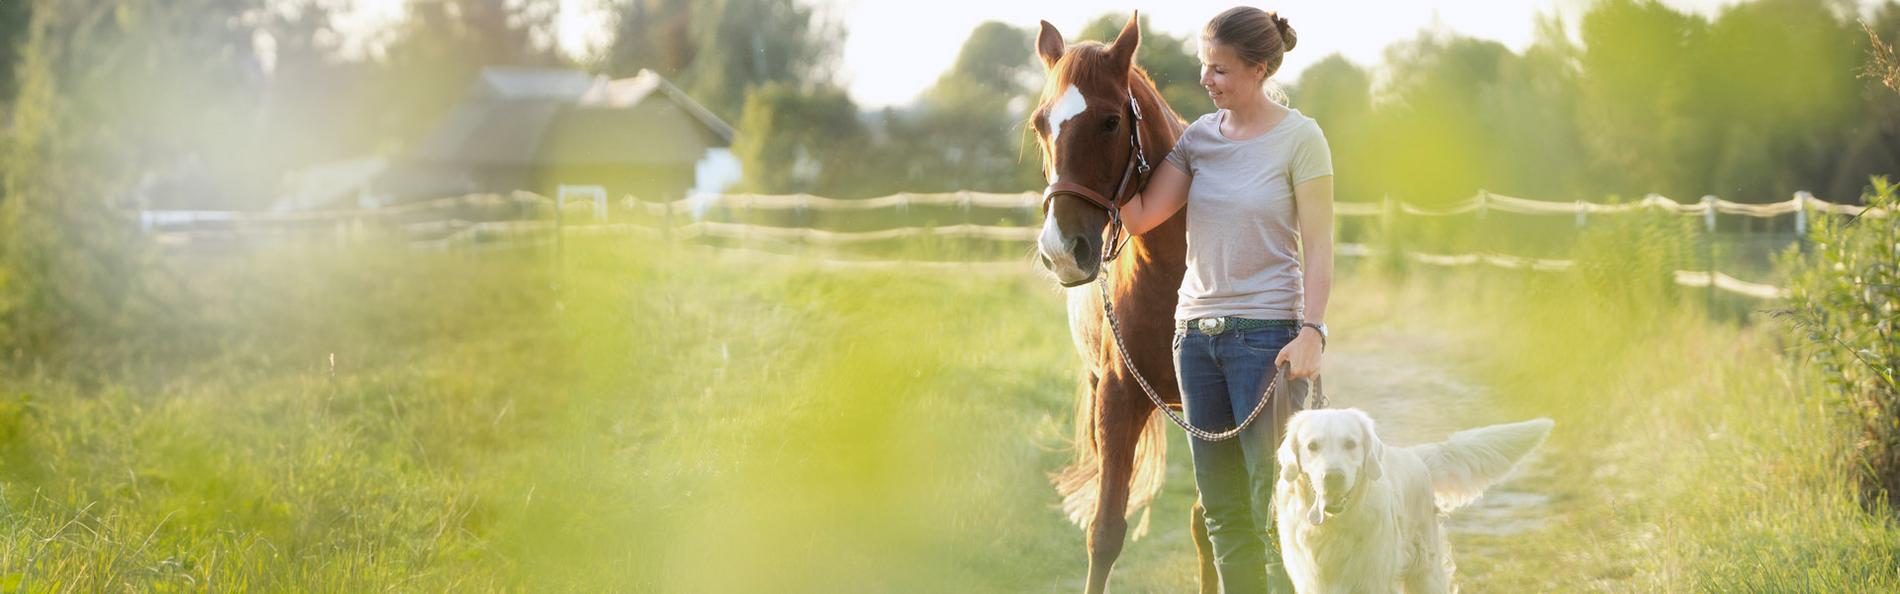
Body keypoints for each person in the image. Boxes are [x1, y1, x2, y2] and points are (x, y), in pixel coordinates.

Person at [1117, 6, 1334, 593]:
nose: (1207, 81)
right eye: (1203, 68)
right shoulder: (1198, 139)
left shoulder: (1301, 138)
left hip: (1266, 340)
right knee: (1222, 511)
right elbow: (1139, 217)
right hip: (1194, 341)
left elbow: (1319, 247)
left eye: (1220, 70)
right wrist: (1088, 166)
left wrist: (1312, 331)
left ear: (1258, 69)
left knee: (1275, 502)